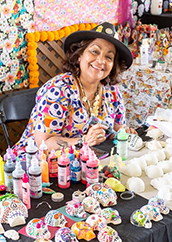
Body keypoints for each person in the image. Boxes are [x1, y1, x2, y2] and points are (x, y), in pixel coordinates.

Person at [14, 22, 134, 156]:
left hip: (89, 162)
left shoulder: (112, 91)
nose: (101, 61)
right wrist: (84, 141)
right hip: (38, 164)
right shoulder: (58, 90)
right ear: (79, 56)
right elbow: (44, 143)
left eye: (109, 57)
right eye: (95, 51)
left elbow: (117, 131)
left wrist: (123, 135)